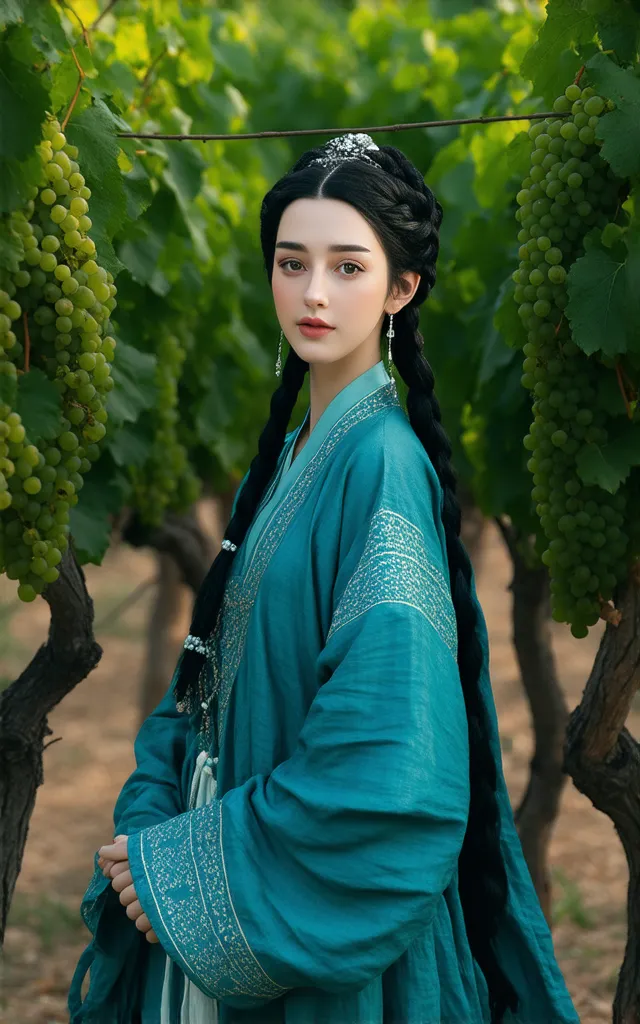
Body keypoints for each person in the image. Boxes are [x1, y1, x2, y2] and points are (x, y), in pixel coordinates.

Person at [68, 133, 579, 1024]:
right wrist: (148, 827)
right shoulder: (287, 459)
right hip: (211, 879)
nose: (311, 293)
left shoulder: (382, 462)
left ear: (402, 287)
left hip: (302, 920)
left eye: (348, 267)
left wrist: (194, 868)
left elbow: (389, 762)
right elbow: (202, 673)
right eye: (290, 262)